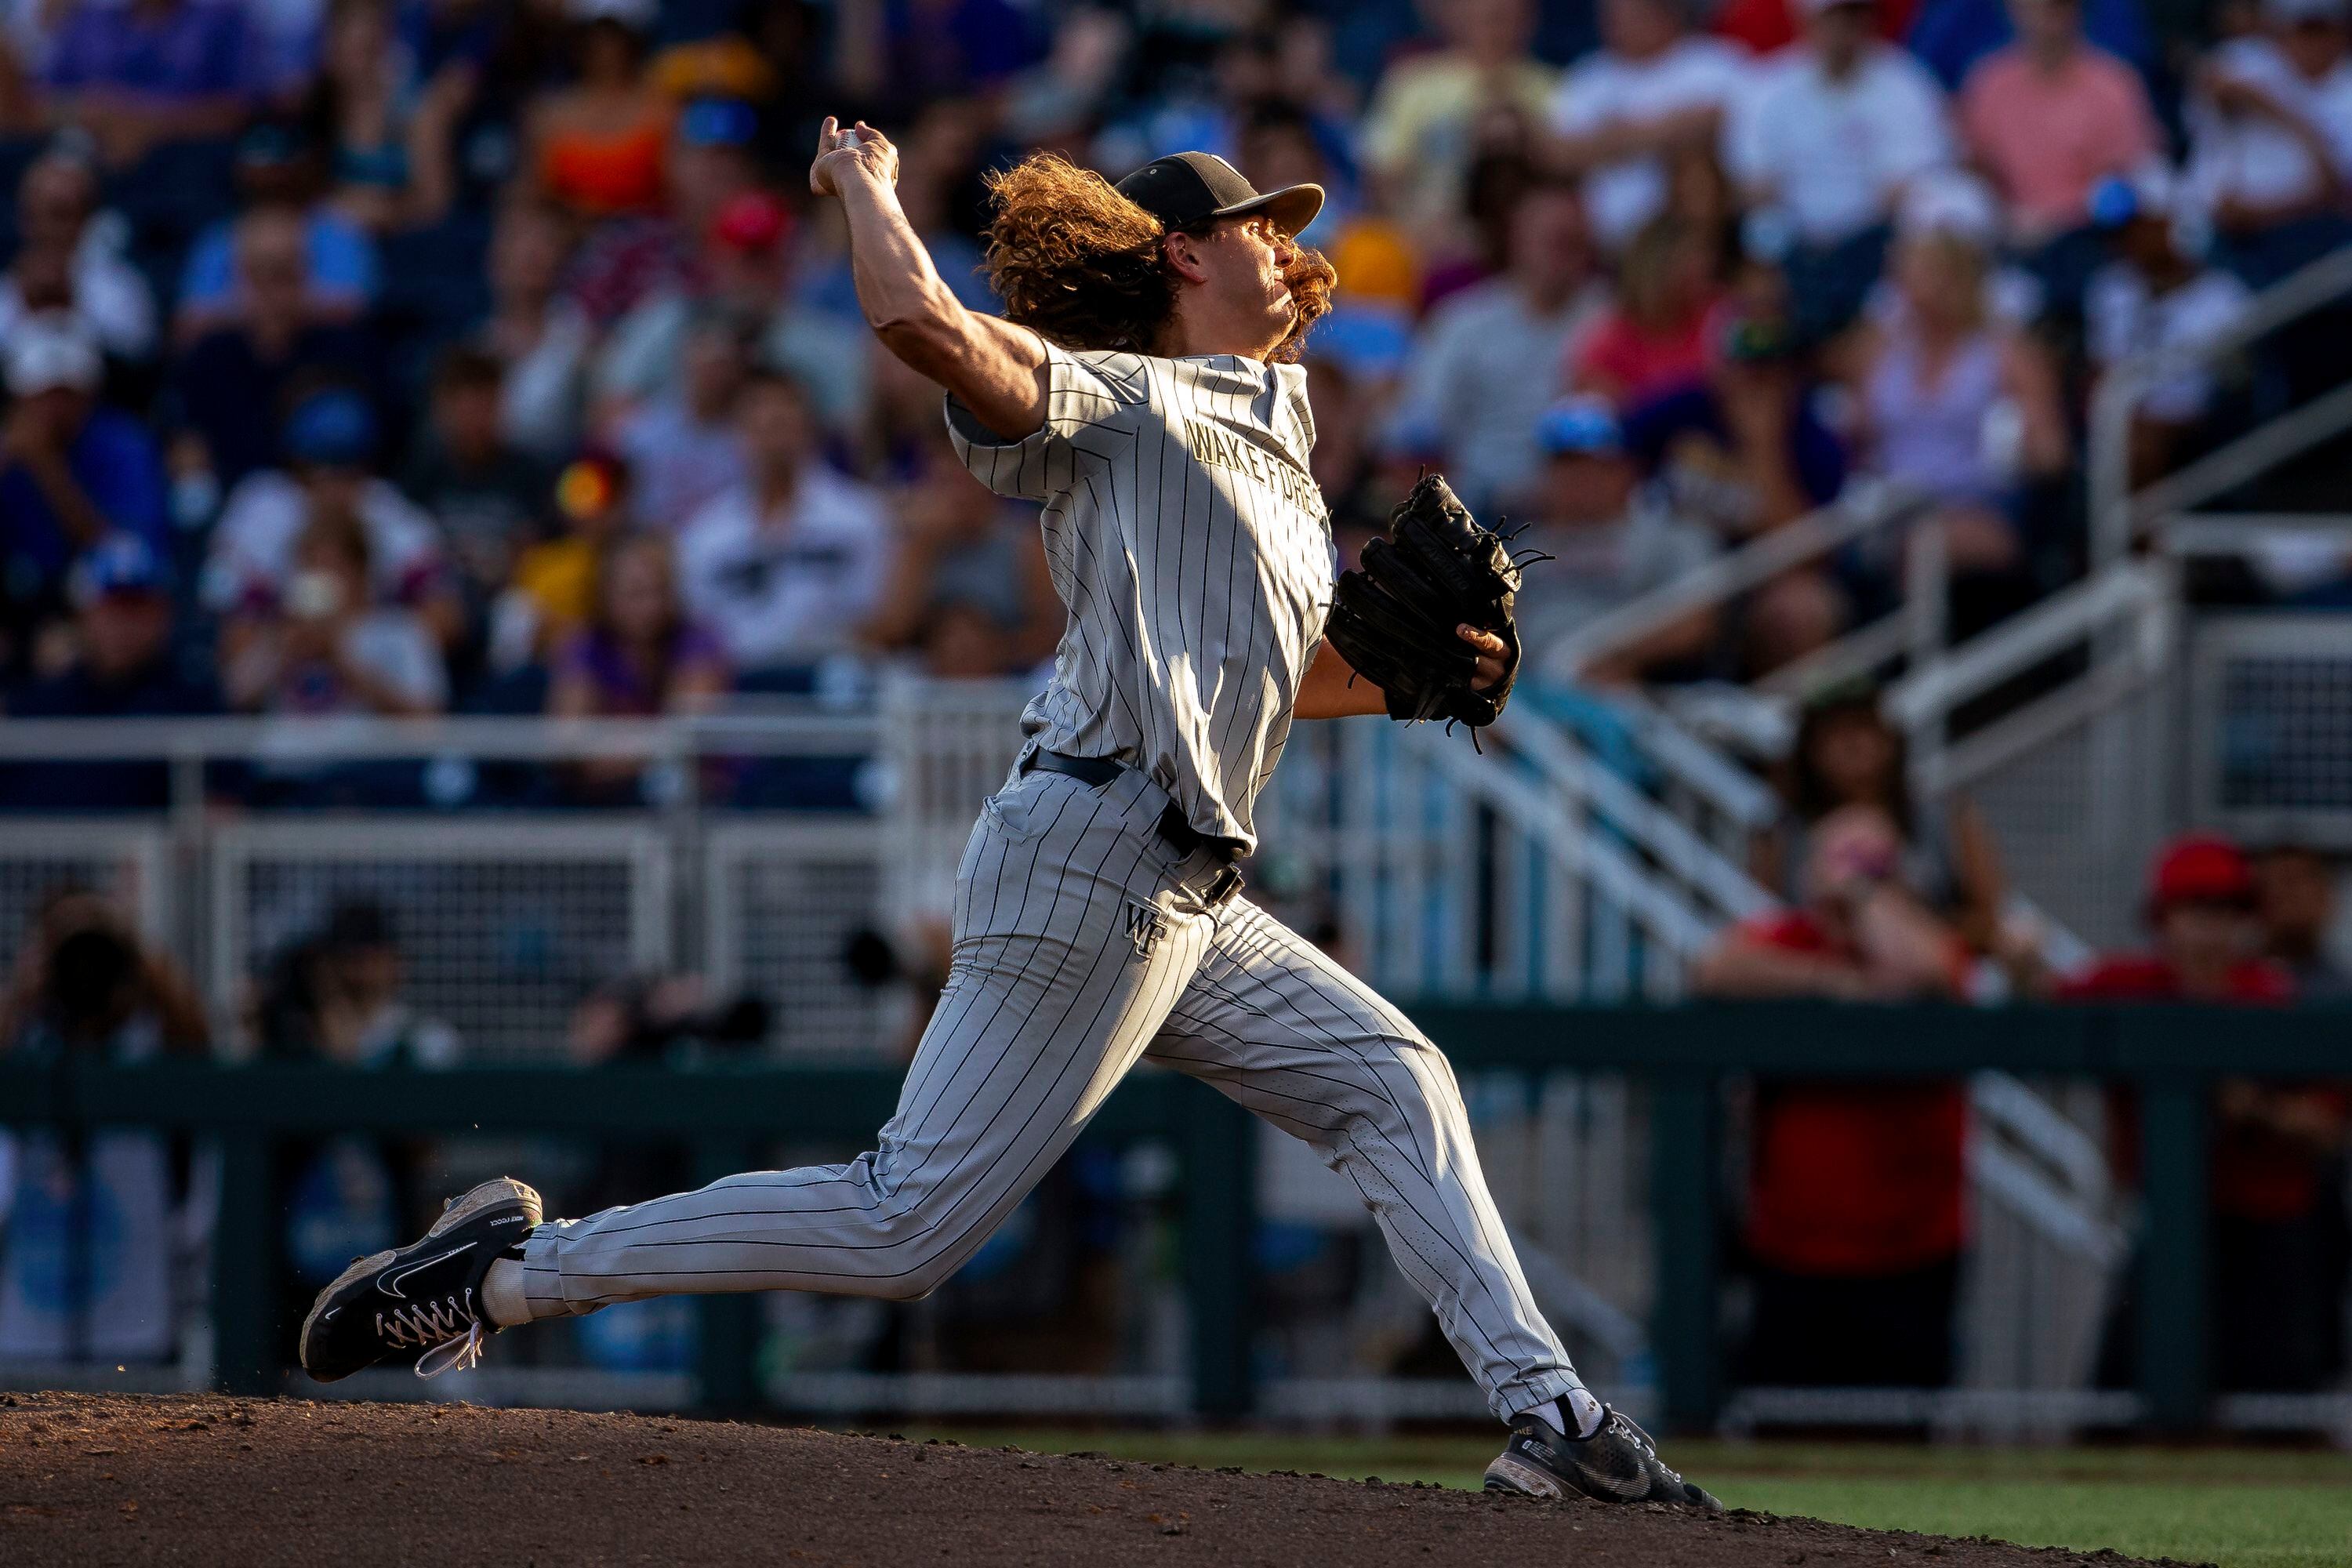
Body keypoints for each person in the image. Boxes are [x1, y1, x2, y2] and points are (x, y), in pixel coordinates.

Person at [296, 122, 1720, 1513]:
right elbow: (918, 319)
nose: (1289, 245)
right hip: (1093, 855)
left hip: (1182, 890)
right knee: (900, 1225)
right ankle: (499, 1276)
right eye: (1256, 224)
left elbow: (1268, 684)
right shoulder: (1128, 398)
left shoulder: (1270, 446)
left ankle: (1556, 1422)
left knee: (1395, 1085)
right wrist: (865, 182)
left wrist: (1407, 682)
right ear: (1182, 254)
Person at [1694, 803, 1972, 1390]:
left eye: (1872, 864)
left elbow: (1927, 970)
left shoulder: (1921, 934)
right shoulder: (1791, 938)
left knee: (1902, 1436)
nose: (1850, 878)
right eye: (1838, 861)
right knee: (1788, 1429)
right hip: (1795, 1252)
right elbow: (1714, 969)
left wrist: (1868, 901)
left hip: (1913, 1252)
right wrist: (1836, 981)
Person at [2062, 836, 2350, 1394]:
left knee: (2276, 1412)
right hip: (2166, 1227)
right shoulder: (2125, 986)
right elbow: (2042, 1006)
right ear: (2162, 921)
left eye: (2224, 914)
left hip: (2269, 1235)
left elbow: (2327, 1127)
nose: (2208, 931)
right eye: (2194, 912)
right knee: (2122, 1405)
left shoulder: (2272, 997)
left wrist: (2254, 1106)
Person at [0, 885, 211, 1364]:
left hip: (136, 1325)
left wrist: (125, 941)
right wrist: (32, 974)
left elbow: (198, 1041)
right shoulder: (29, 1035)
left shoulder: (148, 1038)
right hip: (27, 1330)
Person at [1723, 0, 1954, 339]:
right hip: (1793, 238)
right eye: (1833, 18)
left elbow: (1908, 184)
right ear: (1806, 22)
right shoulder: (1767, 88)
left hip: (1873, 238)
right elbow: (1753, 181)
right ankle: (1766, 337)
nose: (1842, 31)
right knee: (1761, 229)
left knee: (1935, 212)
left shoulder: (1905, 82)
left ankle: (1892, 340)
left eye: (1854, 16)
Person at [1384, 177, 1609, 516]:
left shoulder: (1611, 319)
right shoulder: (1463, 323)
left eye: (1573, 243)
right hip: (1479, 506)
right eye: (1551, 241)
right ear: (1516, 240)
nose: (1561, 256)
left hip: (1585, 507)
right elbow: (1421, 423)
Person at [676, 368, 890, 676]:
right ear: (738, 434)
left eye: (783, 422)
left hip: (832, 684)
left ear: (808, 428)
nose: (772, 438)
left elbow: (876, 619)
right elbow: (698, 628)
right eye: (760, 425)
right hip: (738, 686)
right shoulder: (705, 536)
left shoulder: (860, 518)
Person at [1957, 0, 2162, 303]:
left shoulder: (2114, 83)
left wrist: (2055, 221)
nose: (2049, 10)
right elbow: (1976, 171)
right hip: (2007, 237)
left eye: (2060, 5)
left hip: (2089, 239)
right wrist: (2004, 218)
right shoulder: (1988, 82)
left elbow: (2128, 187)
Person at [2, 533, 219, 810]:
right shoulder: (45, 699)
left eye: (137, 607)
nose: (124, 625)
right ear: (84, 614)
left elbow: (221, 812)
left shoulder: (193, 700)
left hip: (150, 853)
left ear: (163, 614)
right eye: (113, 607)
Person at [0, 314, 168, 670]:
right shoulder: (9, 447)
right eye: (43, 395)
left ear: (90, 394)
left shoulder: (123, 445)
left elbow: (122, 553)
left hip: (99, 601)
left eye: (67, 395)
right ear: (19, 396)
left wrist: (47, 468)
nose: (55, 409)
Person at [1512, 395, 1719, 677]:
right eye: (1567, 465)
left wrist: (1612, 657)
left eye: (1597, 465)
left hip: (1630, 688)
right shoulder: (1517, 549)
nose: (1581, 478)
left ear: (1626, 470)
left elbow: (1692, 625)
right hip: (1526, 691)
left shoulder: (1672, 537)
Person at [2082, 165, 2254, 488]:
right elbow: (2101, 371)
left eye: (2141, 228)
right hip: (2123, 417)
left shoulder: (2225, 296)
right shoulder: (2109, 288)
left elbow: (2235, 388)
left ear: (2176, 227)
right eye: (2121, 233)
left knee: (2142, 444)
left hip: (2194, 423)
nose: (2127, 241)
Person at [1546, 0, 1754, 255]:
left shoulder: (1717, 63)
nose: (1618, 23)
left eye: (1632, 12)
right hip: (1605, 247)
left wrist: (1610, 139)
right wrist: (1674, 128)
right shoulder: (1587, 77)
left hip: (1705, 242)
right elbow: (1560, 156)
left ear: (1666, 11)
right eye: (1612, 13)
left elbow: (1725, 128)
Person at [0, 146, 158, 361]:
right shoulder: (6, 289)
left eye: (60, 214)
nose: (44, 227)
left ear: (86, 219)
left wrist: (71, 307)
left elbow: (137, 365)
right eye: (33, 213)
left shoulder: (120, 289)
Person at [2254, 840, 2351, 999]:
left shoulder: (2341, 993)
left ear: (2325, 899)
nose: (2284, 895)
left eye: (2294, 882)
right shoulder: (2227, 987)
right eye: (2274, 883)